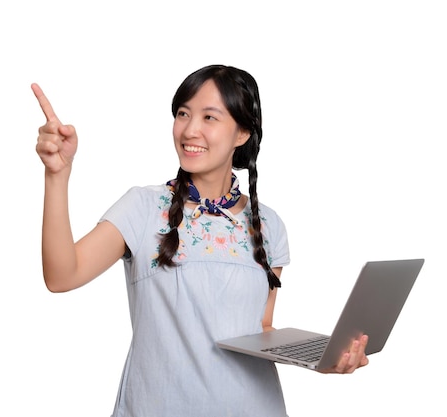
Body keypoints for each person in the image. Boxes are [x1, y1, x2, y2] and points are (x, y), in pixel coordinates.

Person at [32, 64, 369, 417]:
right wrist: (57, 176)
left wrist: (323, 358)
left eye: (210, 117)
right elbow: (62, 276)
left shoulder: (269, 225)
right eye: (183, 113)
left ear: (242, 133)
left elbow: (261, 328)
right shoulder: (143, 208)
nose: (190, 129)